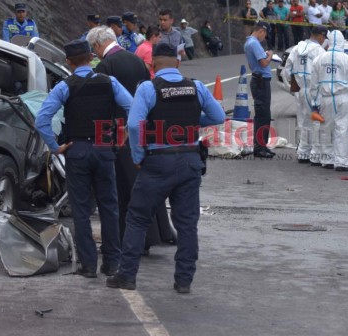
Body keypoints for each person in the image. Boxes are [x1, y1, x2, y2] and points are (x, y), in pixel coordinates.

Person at [106, 43, 225, 293]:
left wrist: (138, 156)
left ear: (152, 66)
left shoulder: (149, 88)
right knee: (187, 223)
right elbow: (218, 117)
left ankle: (126, 275)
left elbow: (136, 125)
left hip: (157, 161)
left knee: (137, 218)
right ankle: (184, 281)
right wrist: (193, 123)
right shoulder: (196, 86)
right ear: (178, 63)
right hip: (191, 160)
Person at [35, 39, 133, 278]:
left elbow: (41, 121)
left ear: (68, 62)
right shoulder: (110, 83)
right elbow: (133, 108)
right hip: (103, 149)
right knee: (109, 208)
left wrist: (56, 146)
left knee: (80, 210)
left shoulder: (64, 86)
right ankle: (112, 263)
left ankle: (88, 265)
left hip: (77, 151)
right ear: (92, 57)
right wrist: (124, 136)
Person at [86, 26, 156, 246]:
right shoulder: (136, 60)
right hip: (141, 128)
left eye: (93, 49)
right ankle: (149, 236)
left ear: (98, 44)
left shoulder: (106, 66)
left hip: (115, 133)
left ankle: (126, 239)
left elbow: (100, 102)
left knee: (120, 190)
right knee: (141, 186)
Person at [309, 30, 348, 171]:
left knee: (326, 128)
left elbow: (313, 83)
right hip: (344, 98)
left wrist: (314, 102)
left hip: (326, 98)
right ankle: (341, 161)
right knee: (343, 129)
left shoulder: (319, 59)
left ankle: (327, 159)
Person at [285, 25, 328, 163]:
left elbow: (287, 70)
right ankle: (315, 154)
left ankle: (303, 152)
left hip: (300, 90)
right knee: (316, 122)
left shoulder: (296, 48)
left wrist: (292, 86)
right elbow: (322, 71)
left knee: (303, 122)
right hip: (313, 90)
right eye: (324, 37)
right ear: (320, 35)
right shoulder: (320, 51)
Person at [244, 22, 275, 158]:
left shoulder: (249, 42)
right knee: (263, 115)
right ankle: (259, 147)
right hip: (261, 81)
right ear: (261, 31)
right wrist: (270, 55)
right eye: (265, 34)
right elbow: (263, 62)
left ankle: (262, 145)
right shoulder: (254, 43)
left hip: (259, 80)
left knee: (264, 114)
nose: (265, 37)